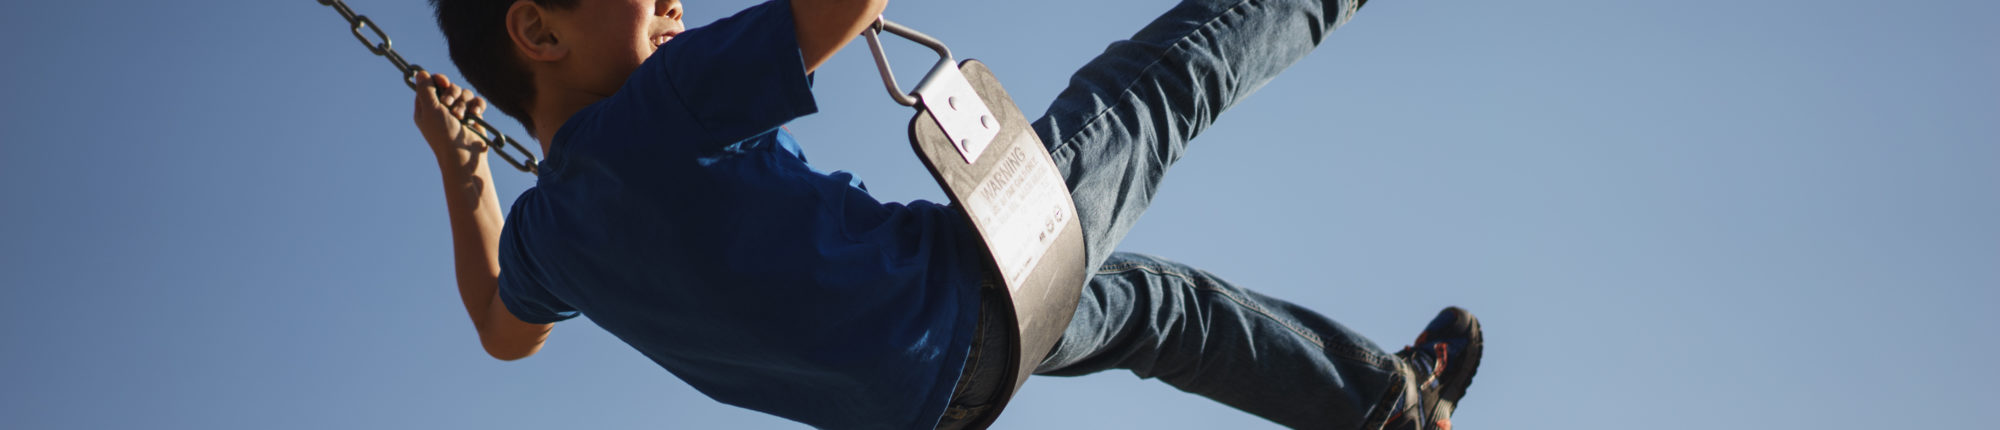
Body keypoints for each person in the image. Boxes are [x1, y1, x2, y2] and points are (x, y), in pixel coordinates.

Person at [410, 0, 1482, 428]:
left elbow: (505, 332)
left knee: (1157, 307)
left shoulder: (551, 234)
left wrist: (469, 182)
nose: (674, 3)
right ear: (538, 29)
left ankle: (1386, 406)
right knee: (1159, 86)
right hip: (962, 287)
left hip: (937, 400)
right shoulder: (659, 102)